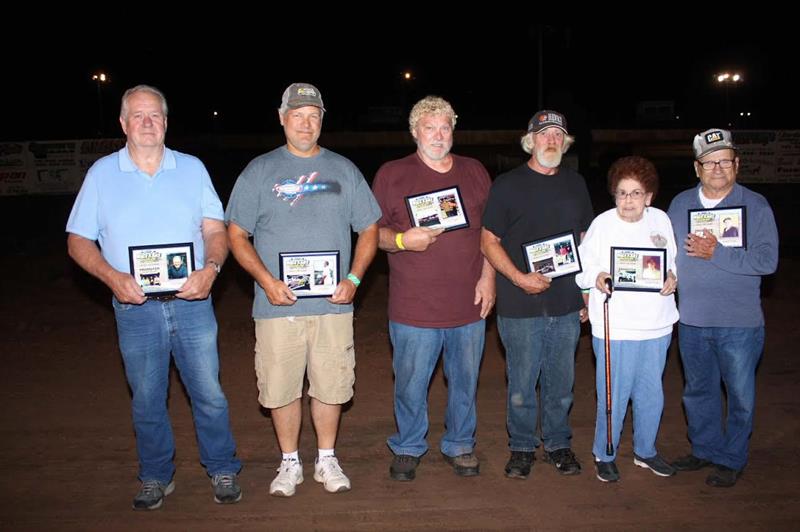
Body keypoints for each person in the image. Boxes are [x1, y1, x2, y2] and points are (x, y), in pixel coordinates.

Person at [66, 85, 241, 510]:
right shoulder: (102, 175)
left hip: (193, 302)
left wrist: (212, 270)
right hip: (135, 308)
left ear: (166, 122)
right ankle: (156, 477)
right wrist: (112, 278)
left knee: (210, 393)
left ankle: (222, 467)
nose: (147, 123)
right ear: (123, 123)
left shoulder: (192, 168)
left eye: (155, 116)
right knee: (146, 397)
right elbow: (77, 240)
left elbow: (215, 231)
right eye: (138, 116)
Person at [226, 82, 380, 497]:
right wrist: (266, 282)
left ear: (322, 120)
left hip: (333, 305)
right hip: (278, 305)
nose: (306, 123)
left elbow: (369, 227)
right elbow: (236, 235)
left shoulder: (344, 170)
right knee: (281, 386)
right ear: (282, 118)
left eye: (313, 115)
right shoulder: (259, 171)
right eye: (298, 115)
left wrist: (353, 279)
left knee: (331, 384)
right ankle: (290, 462)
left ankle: (326, 459)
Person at [371, 96, 495, 481]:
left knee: (465, 380)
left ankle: (460, 443)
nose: (438, 135)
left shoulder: (475, 171)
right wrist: (406, 241)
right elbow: (373, 235)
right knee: (410, 382)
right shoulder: (392, 174)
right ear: (414, 132)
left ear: (453, 130)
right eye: (429, 127)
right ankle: (408, 445)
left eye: (444, 127)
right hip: (414, 306)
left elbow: (492, 234)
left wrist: (489, 276)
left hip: (467, 302)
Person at [481, 109, 593, 479]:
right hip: (520, 302)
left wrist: (587, 293)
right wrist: (517, 278)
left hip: (564, 302)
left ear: (566, 142)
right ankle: (522, 447)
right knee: (522, 382)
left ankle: (559, 444)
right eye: (544, 134)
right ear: (530, 140)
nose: (552, 141)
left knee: (561, 383)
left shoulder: (576, 183)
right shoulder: (507, 184)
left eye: (558, 135)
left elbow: (583, 242)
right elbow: (488, 241)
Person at [668, 128, 779, 487]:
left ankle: (733, 457)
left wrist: (719, 252)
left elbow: (767, 260)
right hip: (693, 320)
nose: (718, 168)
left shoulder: (756, 205)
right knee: (698, 391)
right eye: (709, 162)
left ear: (737, 165)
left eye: (725, 161)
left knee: (739, 395)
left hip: (739, 322)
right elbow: (665, 249)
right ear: (697, 167)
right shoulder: (681, 204)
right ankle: (704, 449)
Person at [575, 156, 679, 483]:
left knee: (651, 392)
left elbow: (672, 262)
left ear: (648, 196)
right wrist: (598, 275)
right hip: (616, 325)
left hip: (657, 324)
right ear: (614, 195)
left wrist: (673, 277)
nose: (628, 201)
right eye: (622, 193)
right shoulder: (602, 224)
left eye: (635, 193)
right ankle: (605, 452)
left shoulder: (661, 220)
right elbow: (583, 268)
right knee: (613, 393)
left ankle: (645, 450)